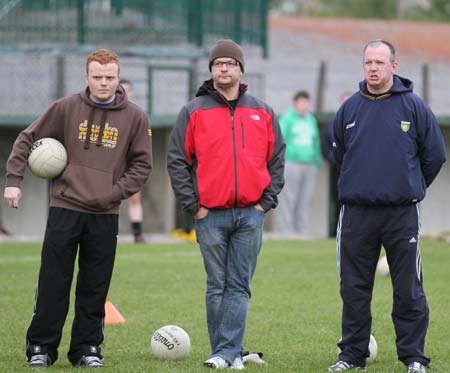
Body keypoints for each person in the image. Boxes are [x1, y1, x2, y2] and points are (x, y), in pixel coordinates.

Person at [4, 49, 152, 368]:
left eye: (109, 77)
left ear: (118, 77)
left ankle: (86, 349)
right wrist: (14, 179)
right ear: (86, 77)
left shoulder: (135, 117)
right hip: (65, 207)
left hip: (105, 214)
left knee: (94, 286)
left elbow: (142, 165)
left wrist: (115, 192)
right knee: (53, 283)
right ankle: (41, 348)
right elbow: (26, 139)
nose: (103, 83)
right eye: (97, 77)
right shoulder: (66, 108)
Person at [327, 39, 446, 373]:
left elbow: (434, 155)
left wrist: (410, 185)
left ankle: (413, 358)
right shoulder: (350, 109)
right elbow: (338, 154)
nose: (373, 68)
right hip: (356, 213)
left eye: (380, 62)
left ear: (394, 66)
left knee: (408, 289)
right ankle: (351, 357)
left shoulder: (414, 107)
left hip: (401, 214)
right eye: (368, 63)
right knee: (353, 289)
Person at [167, 39, 285, 370]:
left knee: (238, 285)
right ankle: (229, 352)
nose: (224, 68)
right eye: (218, 63)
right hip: (210, 215)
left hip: (251, 213)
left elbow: (277, 158)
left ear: (240, 69)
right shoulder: (193, 110)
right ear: (211, 70)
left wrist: (266, 202)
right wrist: (194, 206)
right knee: (216, 285)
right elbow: (177, 160)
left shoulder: (262, 111)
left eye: (230, 63)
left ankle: (226, 352)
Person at [276, 90, 321, 236]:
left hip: (309, 164)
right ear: (296, 103)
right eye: (302, 102)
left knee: (305, 198)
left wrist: (316, 161)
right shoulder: (287, 118)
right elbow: (280, 140)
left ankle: (301, 231)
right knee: (289, 197)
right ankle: (285, 231)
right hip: (291, 162)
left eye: (307, 102)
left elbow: (315, 142)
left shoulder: (311, 119)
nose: (305, 106)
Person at [320, 91, 352, 237]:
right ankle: (336, 232)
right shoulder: (332, 124)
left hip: (357, 171)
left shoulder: (364, 121)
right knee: (338, 200)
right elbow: (325, 146)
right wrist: (336, 160)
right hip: (338, 170)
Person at [119, 78, 146, 243]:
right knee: (109, 199)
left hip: (131, 162)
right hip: (111, 163)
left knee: (134, 197)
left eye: (127, 90)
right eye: (121, 90)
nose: (125, 93)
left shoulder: (137, 114)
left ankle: (137, 234)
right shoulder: (109, 111)